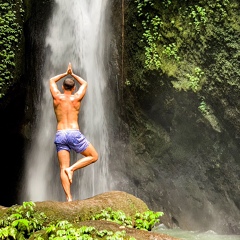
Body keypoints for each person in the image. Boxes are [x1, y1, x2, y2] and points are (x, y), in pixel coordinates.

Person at [49, 62, 98, 202]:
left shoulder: (57, 97)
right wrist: (73, 74)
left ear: (63, 87)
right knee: (94, 156)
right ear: (74, 87)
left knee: (62, 167)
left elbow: (52, 80)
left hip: (60, 134)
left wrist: (65, 73)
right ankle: (72, 169)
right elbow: (85, 83)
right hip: (74, 133)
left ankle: (69, 198)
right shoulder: (77, 98)